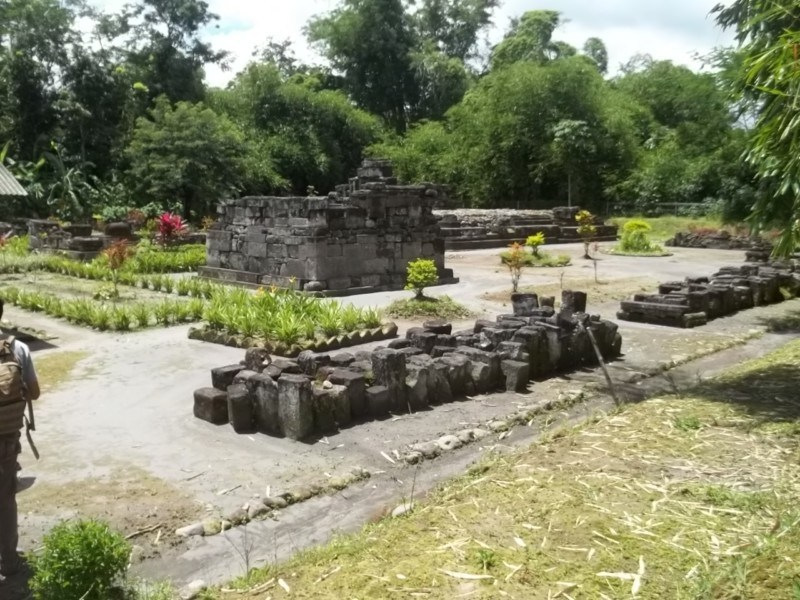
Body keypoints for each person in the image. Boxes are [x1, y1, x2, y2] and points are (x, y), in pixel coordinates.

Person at [0, 299, 40, 578]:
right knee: (5, 499)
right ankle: (9, 560)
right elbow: (34, 392)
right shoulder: (17, 348)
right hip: (6, 439)